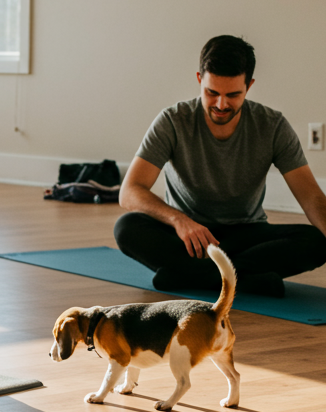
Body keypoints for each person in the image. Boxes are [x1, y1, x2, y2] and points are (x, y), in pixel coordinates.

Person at [114, 35, 326, 297]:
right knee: (126, 227)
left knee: (317, 242)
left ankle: (190, 276)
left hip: (246, 235)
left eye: (233, 95)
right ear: (199, 79)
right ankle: (246, 281)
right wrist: (179, 221)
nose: (221, 104)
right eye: (212, 92)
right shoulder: (172, 121)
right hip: (189, 238)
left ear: (249, 86)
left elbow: (311, 196)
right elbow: (130, 191)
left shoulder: (272, 125)